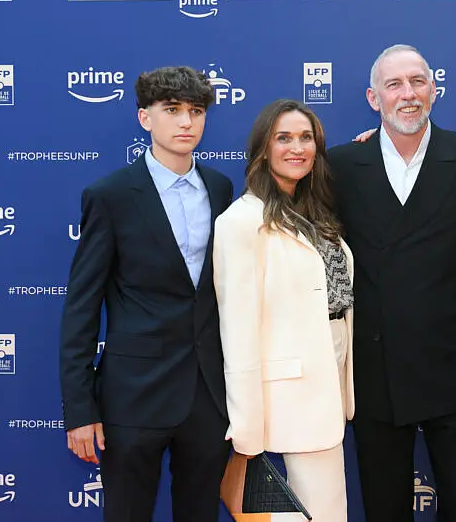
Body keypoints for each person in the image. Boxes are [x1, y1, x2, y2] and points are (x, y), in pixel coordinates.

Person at [328, 44, 456, 522]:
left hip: (453, 362)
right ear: (374, 99)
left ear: (434, 90)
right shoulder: (341, 165)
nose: (408, 94)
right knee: (384, 504)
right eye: (394, 84)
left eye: (417, 81)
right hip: (375, 366)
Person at [59, 66, 234, 522]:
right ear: (145, 118)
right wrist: (80, 410)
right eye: (172, 110)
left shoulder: (221, 188)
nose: (186, 122)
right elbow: (81, 307)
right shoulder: (110, 196)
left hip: (207, 396)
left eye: (196, 111)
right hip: (133, 396)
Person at [213, 99, 354, 522]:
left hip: (329, 382)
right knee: (320, 513)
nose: (297, 148)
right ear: (263, 148)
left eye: (306, 138)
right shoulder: (241, 221)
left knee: (325, 510)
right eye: (284, 138)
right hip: (288, 394)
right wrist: (246, 429)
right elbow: (238, 329)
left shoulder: (314, 212)